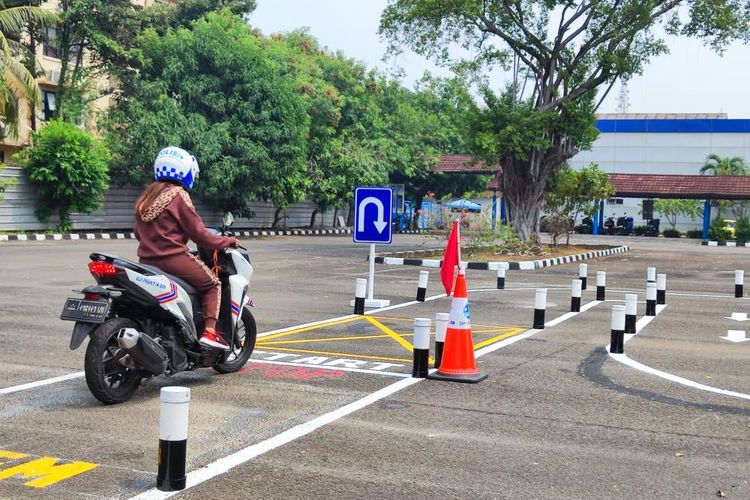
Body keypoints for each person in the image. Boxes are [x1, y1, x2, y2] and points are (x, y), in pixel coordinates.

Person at [134, 146, 240, 351]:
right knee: (213, 284)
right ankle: (210, 331)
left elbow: (139, 233)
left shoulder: (148, 196)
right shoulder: (178, 195)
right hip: (173, 259)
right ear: (184, 171)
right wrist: (228, 241)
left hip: (146, 262)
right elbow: (199, 234)